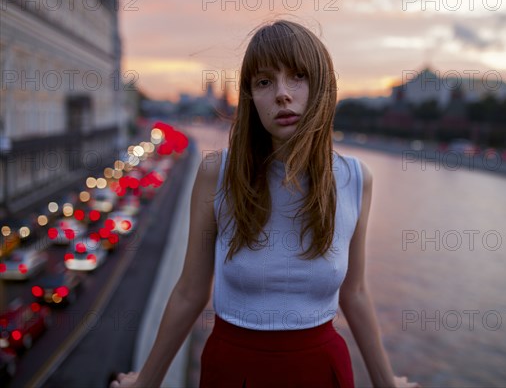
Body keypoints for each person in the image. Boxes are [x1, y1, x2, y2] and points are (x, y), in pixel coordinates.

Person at [110, 19, 419, 388]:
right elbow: (191, 291)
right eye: (264, 82)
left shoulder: (355, 180)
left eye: (298, 77)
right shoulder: (217, 173)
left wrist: (386, 381)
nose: (282, 94)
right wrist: (147, 381)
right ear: (251, 97)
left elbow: (355, 293)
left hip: (321, 370)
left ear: (321, 86)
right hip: (232, 369)